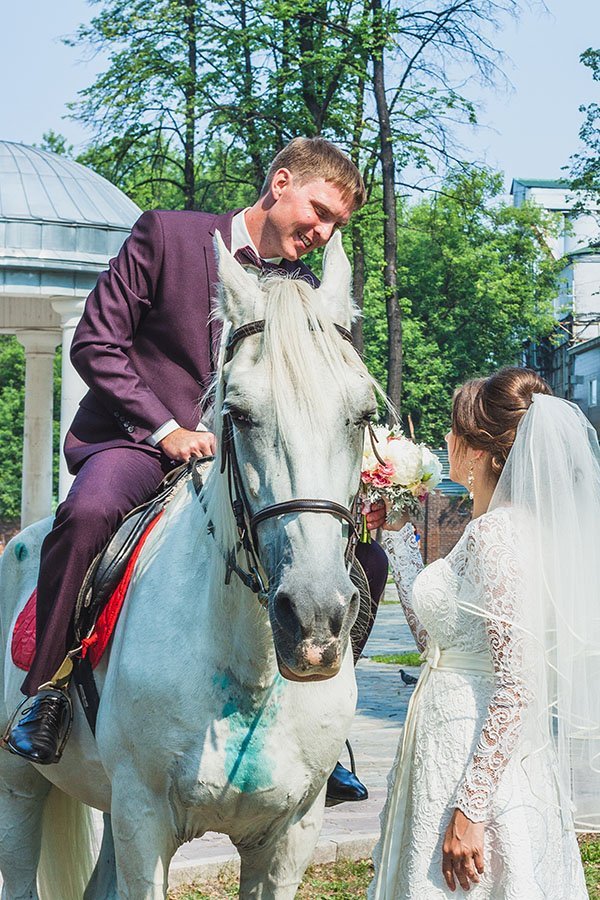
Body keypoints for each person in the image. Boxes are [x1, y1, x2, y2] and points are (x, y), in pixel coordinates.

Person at [3, 137, 389, 793]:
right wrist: (164, 428)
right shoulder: (165, 237)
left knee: (365, 561)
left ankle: (323, 739)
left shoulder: (312, 291)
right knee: (91, 510)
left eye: (336, 226)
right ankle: (48, 693)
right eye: (320, 211)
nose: (322, 233)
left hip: (254, 466)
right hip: (138, 444)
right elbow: (95, 341)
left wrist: (365, 464)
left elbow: (328, 392)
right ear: (282, 181)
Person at [370, 366, 600, 898]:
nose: (446, 441)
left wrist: (471, 809)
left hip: (471, 755)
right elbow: (440, 646)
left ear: (477, 452)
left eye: (453, 431)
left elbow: (517, 686)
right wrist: (399, 542)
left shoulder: (499, 536)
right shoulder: (490, 529)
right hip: (444, 739)